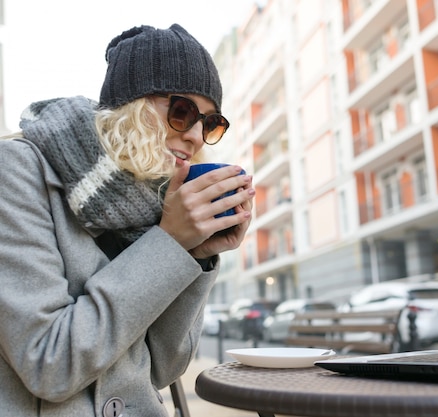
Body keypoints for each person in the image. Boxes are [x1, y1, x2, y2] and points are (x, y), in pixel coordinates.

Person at [0, 24, 254, 416]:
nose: (197, 137)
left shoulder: (157, 206)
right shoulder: (17, 171)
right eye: (182, 111)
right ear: (130, 105)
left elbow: (164, 368)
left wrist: (195, 254)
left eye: (210, 123)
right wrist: (169, 243)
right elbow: (48, 364)